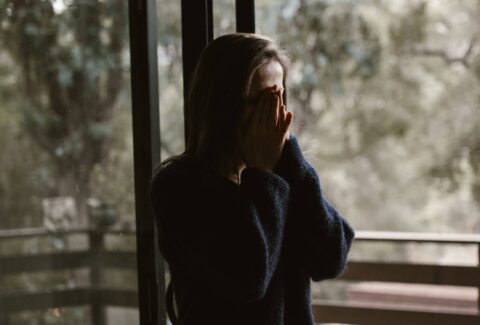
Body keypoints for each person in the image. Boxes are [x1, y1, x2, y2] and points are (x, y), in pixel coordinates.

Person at [150, 33, 355, 325]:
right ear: (222, 104)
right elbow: (247, 278)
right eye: (259, 101)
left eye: (279, 97)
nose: (272, 113)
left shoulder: (283, 176)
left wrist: (289, 160)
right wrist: (263, 176)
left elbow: (331, 258)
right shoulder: (178, 186)